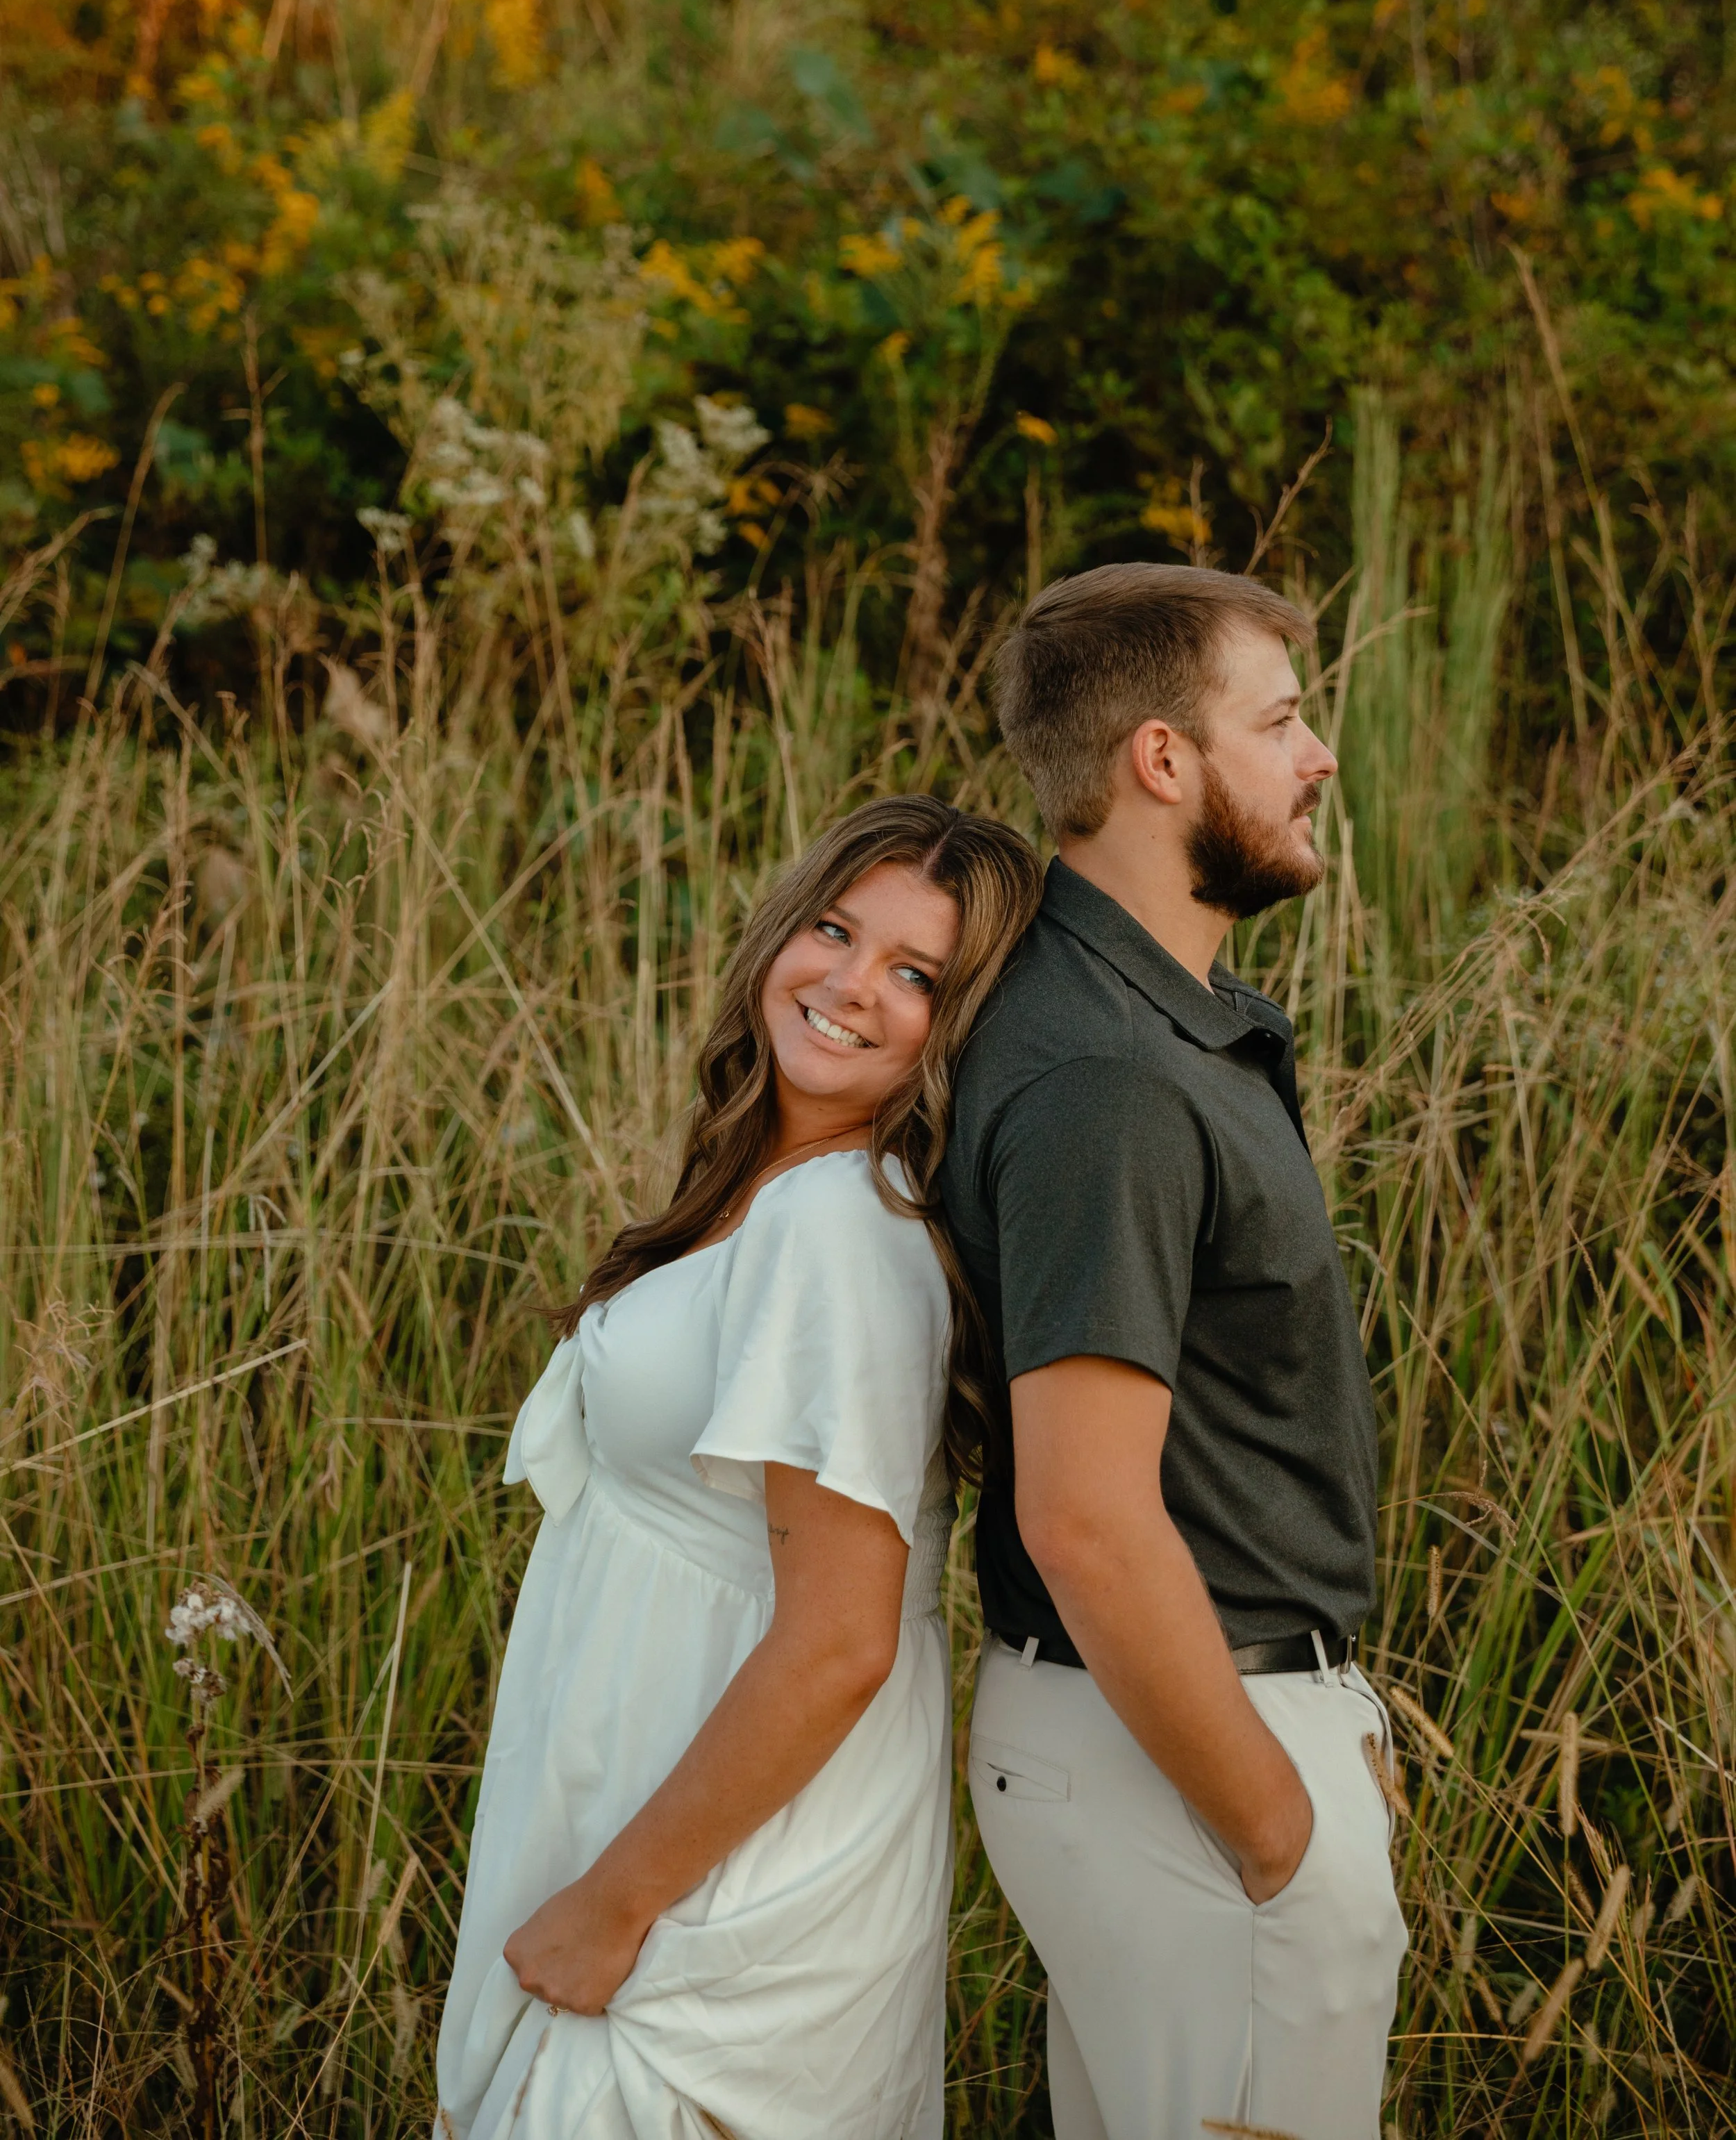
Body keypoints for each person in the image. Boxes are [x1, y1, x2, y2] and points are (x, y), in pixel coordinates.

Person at [434, 795, 1042, 2140]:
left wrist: (617, 1904)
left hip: (717, 1897)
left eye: (915, 975)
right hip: (653, 1821)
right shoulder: (769, 1192)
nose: (849, 984)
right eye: (834, 929)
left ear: (961, 1028)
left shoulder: (839, 1225)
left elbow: (840, 1642)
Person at [938, 563, 1407, 2140]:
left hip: (1181, 1735)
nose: (1317, 755)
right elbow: (1084, 1514)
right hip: (1180, 1761)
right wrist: (1277, 1825)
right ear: (1161, 758)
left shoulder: (1149, 1018)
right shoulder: (1109, 1075)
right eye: (1278, 722)